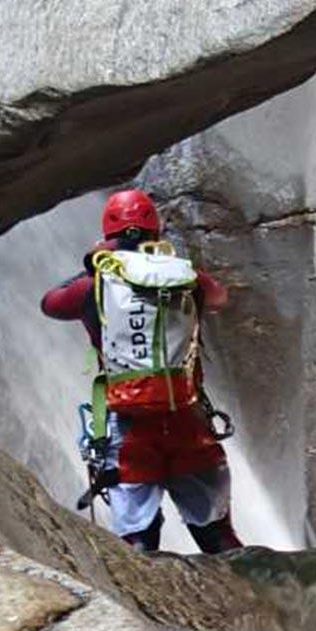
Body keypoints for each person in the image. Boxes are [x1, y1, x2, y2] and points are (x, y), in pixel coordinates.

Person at [40, 188, 241, 553]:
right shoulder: (184, 279)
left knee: (138, 543)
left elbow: (50, 303)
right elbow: (219, 296)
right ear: (156, 232)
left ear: (108, 233)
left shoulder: (95, 284)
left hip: (129, 427)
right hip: (188, 420)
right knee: (218, 535)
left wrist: (95, 261)